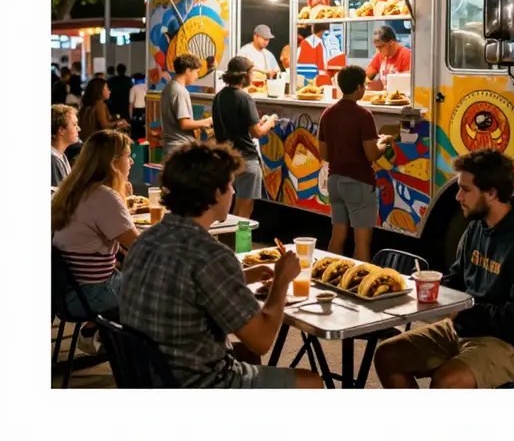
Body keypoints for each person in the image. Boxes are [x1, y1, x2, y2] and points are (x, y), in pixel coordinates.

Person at [119, 142, 322, 388]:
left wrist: (244, 275)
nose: (233, 192)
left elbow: (184, 285)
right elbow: (262, 340)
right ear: (215, 194)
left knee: (246, 356)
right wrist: (281, 280)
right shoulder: (211, 255)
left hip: (145, 374)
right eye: (229, 185)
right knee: (311, 381)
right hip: (194, 382)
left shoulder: (146, 239)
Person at [374, 148, 514, 389]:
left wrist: (462, 313)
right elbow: (458, 280)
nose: (458, 197)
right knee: (387, 356)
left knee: (447, 381)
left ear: (491, 193)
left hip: (512, 344)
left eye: (465, 189)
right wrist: (424, 291)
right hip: (463, 329)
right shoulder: (476, 227)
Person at [52, 130, 140, 354]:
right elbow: (139, 246)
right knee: (156, 288)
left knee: (132, 269)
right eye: (127, 156)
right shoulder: (104, 196)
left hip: (63, 292)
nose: (131, 161)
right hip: (89, 293)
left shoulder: (72, 189)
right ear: (112, 162)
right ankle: (138, 359)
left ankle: (93, 332)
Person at [317, 65, 392, 262]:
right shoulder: (364, 116)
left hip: (335, 181)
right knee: (362, 242)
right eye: (364, 86)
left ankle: (329, 275)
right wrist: (383, 143)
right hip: (359, 182)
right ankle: (359, 285)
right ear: (359, 87)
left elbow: (323, 153)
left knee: (337, 236)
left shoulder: (328, 113)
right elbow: (371, 154)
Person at [212, 56, 278, 219]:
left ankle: (229, 241)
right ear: (244, 76)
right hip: (246, 160)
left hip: (227, 159)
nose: (253, 76)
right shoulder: (244, 97)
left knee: (232, 208)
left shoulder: (219, 97)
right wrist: (270, 122)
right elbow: (257, 133)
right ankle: (239, 244)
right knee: (244, 210)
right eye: (252, 72)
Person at [160, 53, 213, 158]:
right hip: (180, 148)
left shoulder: (169, 87)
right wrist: (208, 121)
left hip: (171, 147)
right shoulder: (180, 91)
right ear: (188, 71)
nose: (197, 76)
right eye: (196, 72)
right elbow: (185, 124)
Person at [365, 25, 412, 91]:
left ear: (391, 42)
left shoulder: (406, 55)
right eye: (376, 47)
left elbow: (406, 83)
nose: (378, 50)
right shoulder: (380, 55)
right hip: (385, 95)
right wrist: (366, 80)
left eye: (380, 47)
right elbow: (368, 75)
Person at [52, 104, 80, 187]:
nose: (79, 129)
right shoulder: (53, 160)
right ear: (61, 130)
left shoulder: (61, 156)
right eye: (74, 125)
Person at [128, 72, 148, 140]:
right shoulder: (147, 87)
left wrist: (130, 116)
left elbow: (131, 103)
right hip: (146, 111)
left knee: (136, 133)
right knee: (144, 131)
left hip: (137, 112)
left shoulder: (133, 88)